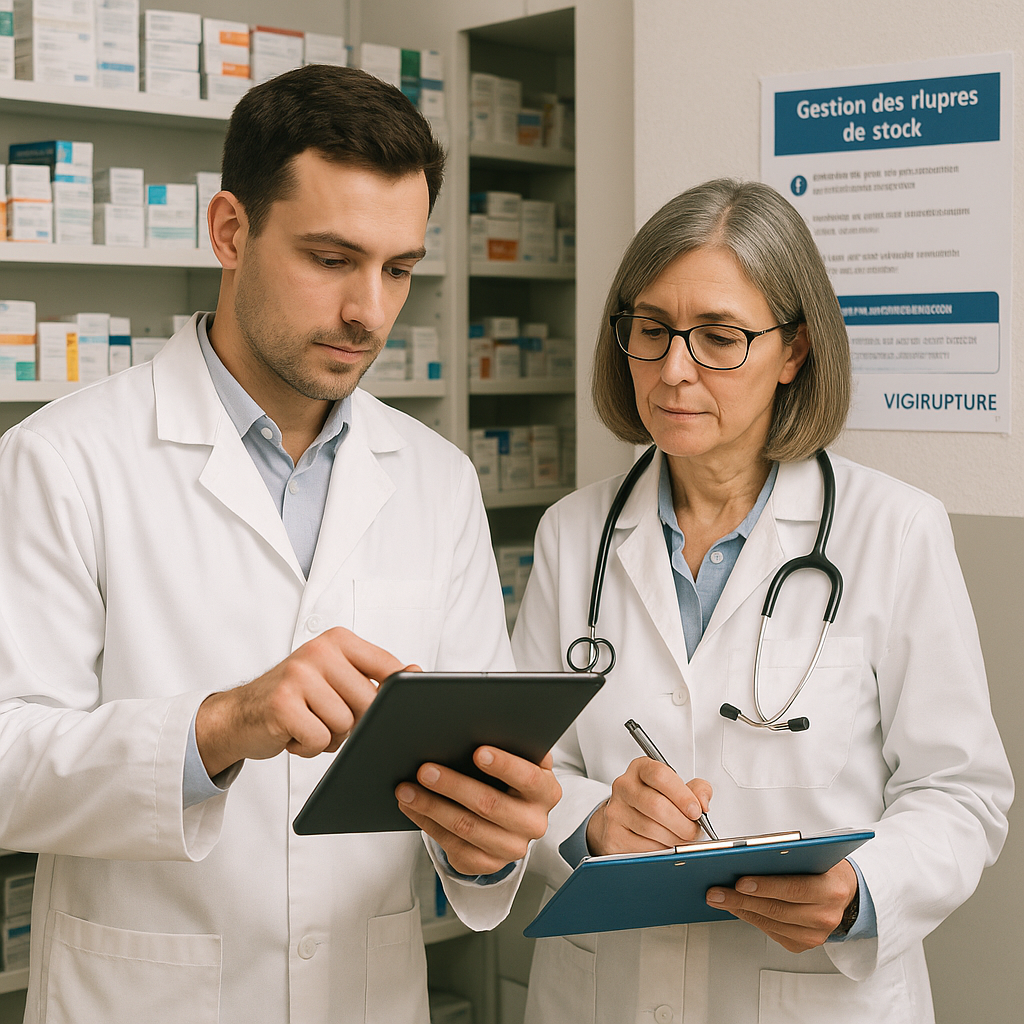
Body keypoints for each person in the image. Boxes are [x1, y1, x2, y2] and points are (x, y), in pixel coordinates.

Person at [0, 65, 561, 1024]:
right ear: (230, 230)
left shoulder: (436, 479)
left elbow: (479, 766)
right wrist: (219, 727)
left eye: (398, 269)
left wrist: (486, 840)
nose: (370, 312)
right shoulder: (63, 458)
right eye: (332, 259)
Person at [512, 179, 1012, 1024]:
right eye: (652, 331)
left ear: (794, 351)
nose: (675, 370)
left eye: (719, 337)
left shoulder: (894, 531)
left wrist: (859, 891)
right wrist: (596, 825)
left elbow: (961, 789)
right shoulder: (574, 533)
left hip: (809, 996)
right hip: (607, 993)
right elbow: (523, 771)